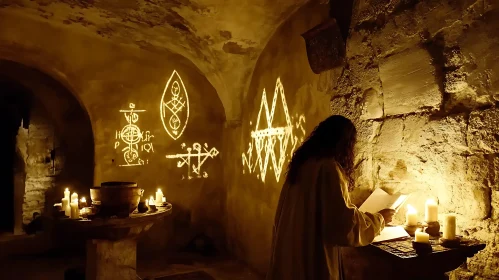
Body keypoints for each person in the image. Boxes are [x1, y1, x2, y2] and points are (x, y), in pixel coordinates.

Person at [266, 115, 395, 280]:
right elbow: (342, 226)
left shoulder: (303, 163)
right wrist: (378, 219)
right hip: (312, 253)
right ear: (345, 144)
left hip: (292, 248)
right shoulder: (329, 168)